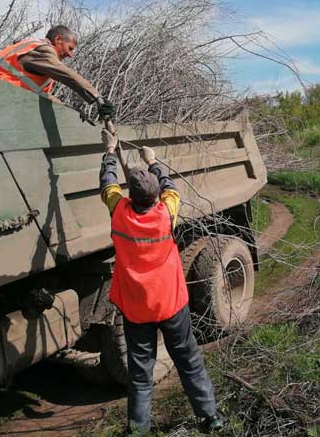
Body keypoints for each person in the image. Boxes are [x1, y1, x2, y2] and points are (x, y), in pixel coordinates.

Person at [99, 129, 224, 435]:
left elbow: (107, 184)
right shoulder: (166, 211)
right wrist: (153, 161)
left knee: (141, 373)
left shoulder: (119, 212)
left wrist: (109, 151)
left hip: (137, 308)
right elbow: (170, 186)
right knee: (188, 360)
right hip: (170, 302)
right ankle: (210, 417)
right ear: (155, 197)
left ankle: (138, 429)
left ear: (131, 197)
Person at [0, 25, 114, 117]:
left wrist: (70, 110)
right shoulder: (43, 50)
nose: (70, 55)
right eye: (70, 48)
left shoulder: (39, 59)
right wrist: (97, 97)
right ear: (58, 39)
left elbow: (41, 95)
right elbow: (67, 75)